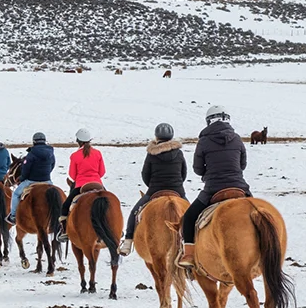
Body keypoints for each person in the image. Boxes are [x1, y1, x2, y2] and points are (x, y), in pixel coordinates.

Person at [178, 105, 251, 268]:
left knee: (189, 218)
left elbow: (197, 169)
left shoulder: (203, 141)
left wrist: (208, 174)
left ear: (209, 121)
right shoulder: (237, 138)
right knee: (258, 212)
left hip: (213, 189)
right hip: (240, 187)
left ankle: (189, 254)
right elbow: (242, 165)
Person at [118, 122, 187, 256]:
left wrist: (152, 186)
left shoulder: (151, 154)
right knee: (191, 215)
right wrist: (176, 185)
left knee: (134, 212)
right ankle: (194, 242)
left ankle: (127, 242)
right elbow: (183, 173)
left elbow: (145, 175)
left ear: (157, 136)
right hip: (177, 190)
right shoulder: (179, 154)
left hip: (155, 190)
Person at [57, 129, 106, 237]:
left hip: (81, 186)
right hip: (98, 184)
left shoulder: (75, 155)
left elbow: (72, 175)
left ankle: (64, 231)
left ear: (78, 141)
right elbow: (102, 172)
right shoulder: (98, 153)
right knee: (108, 202)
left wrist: (80, 179)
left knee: (65, 206)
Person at [7, 132, 55, 225]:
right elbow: (52, 165)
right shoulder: (51, 153)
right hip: (47, 181)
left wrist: (22, 178)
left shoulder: (31, 154)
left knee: (16, 194)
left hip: (31, 181)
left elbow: (26, 169)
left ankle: (13, 216)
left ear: (34, 142)